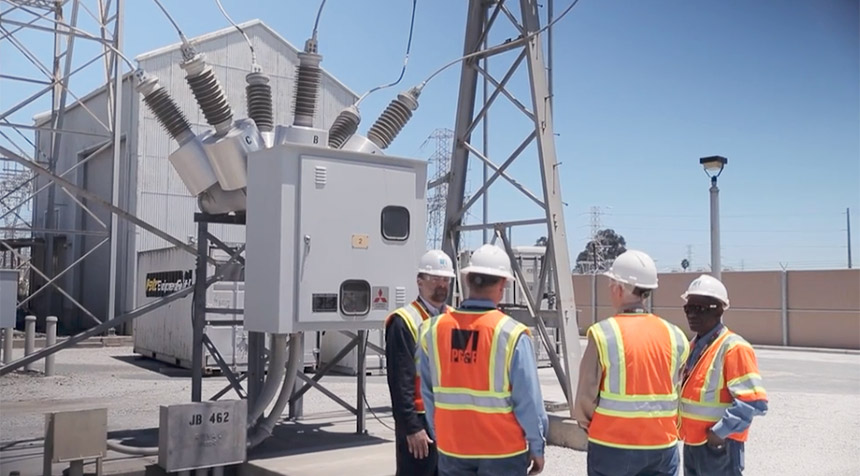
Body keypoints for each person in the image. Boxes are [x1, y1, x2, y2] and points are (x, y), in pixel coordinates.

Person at [417, 244, 548, 476]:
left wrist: (440, 435)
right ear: (502, 285)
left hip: (452, 448)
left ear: (467, 281)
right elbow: (528, 401)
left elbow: (427, 394)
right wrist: (537, 446)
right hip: (502, 451)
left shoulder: (432, 330)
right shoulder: (512, 333)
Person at [574, 249, 690, 476]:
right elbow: (679, 391)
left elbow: (585, 398)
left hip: (612, 446)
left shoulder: (603, 334)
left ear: (619, 288)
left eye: (611, 285)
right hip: (661, 446)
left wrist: (590, 425)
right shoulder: (675, 335)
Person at [679, 274, 768, 476]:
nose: (691, 314)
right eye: (688, 308)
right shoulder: (693, 347)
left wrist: (718, 434)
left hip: (719, 446)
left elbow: (754, 401)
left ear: (718, 309)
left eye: (699, 308)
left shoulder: (734, 347)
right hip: (693, 443)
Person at [385, 249, 456, 476]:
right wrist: (411, 427)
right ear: (419, 281)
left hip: (448, 418)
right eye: (435, 278)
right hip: (419, 420)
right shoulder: (404, 321)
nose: (441, 284)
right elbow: (400, 381)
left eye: (445, 279)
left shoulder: (455, 318)